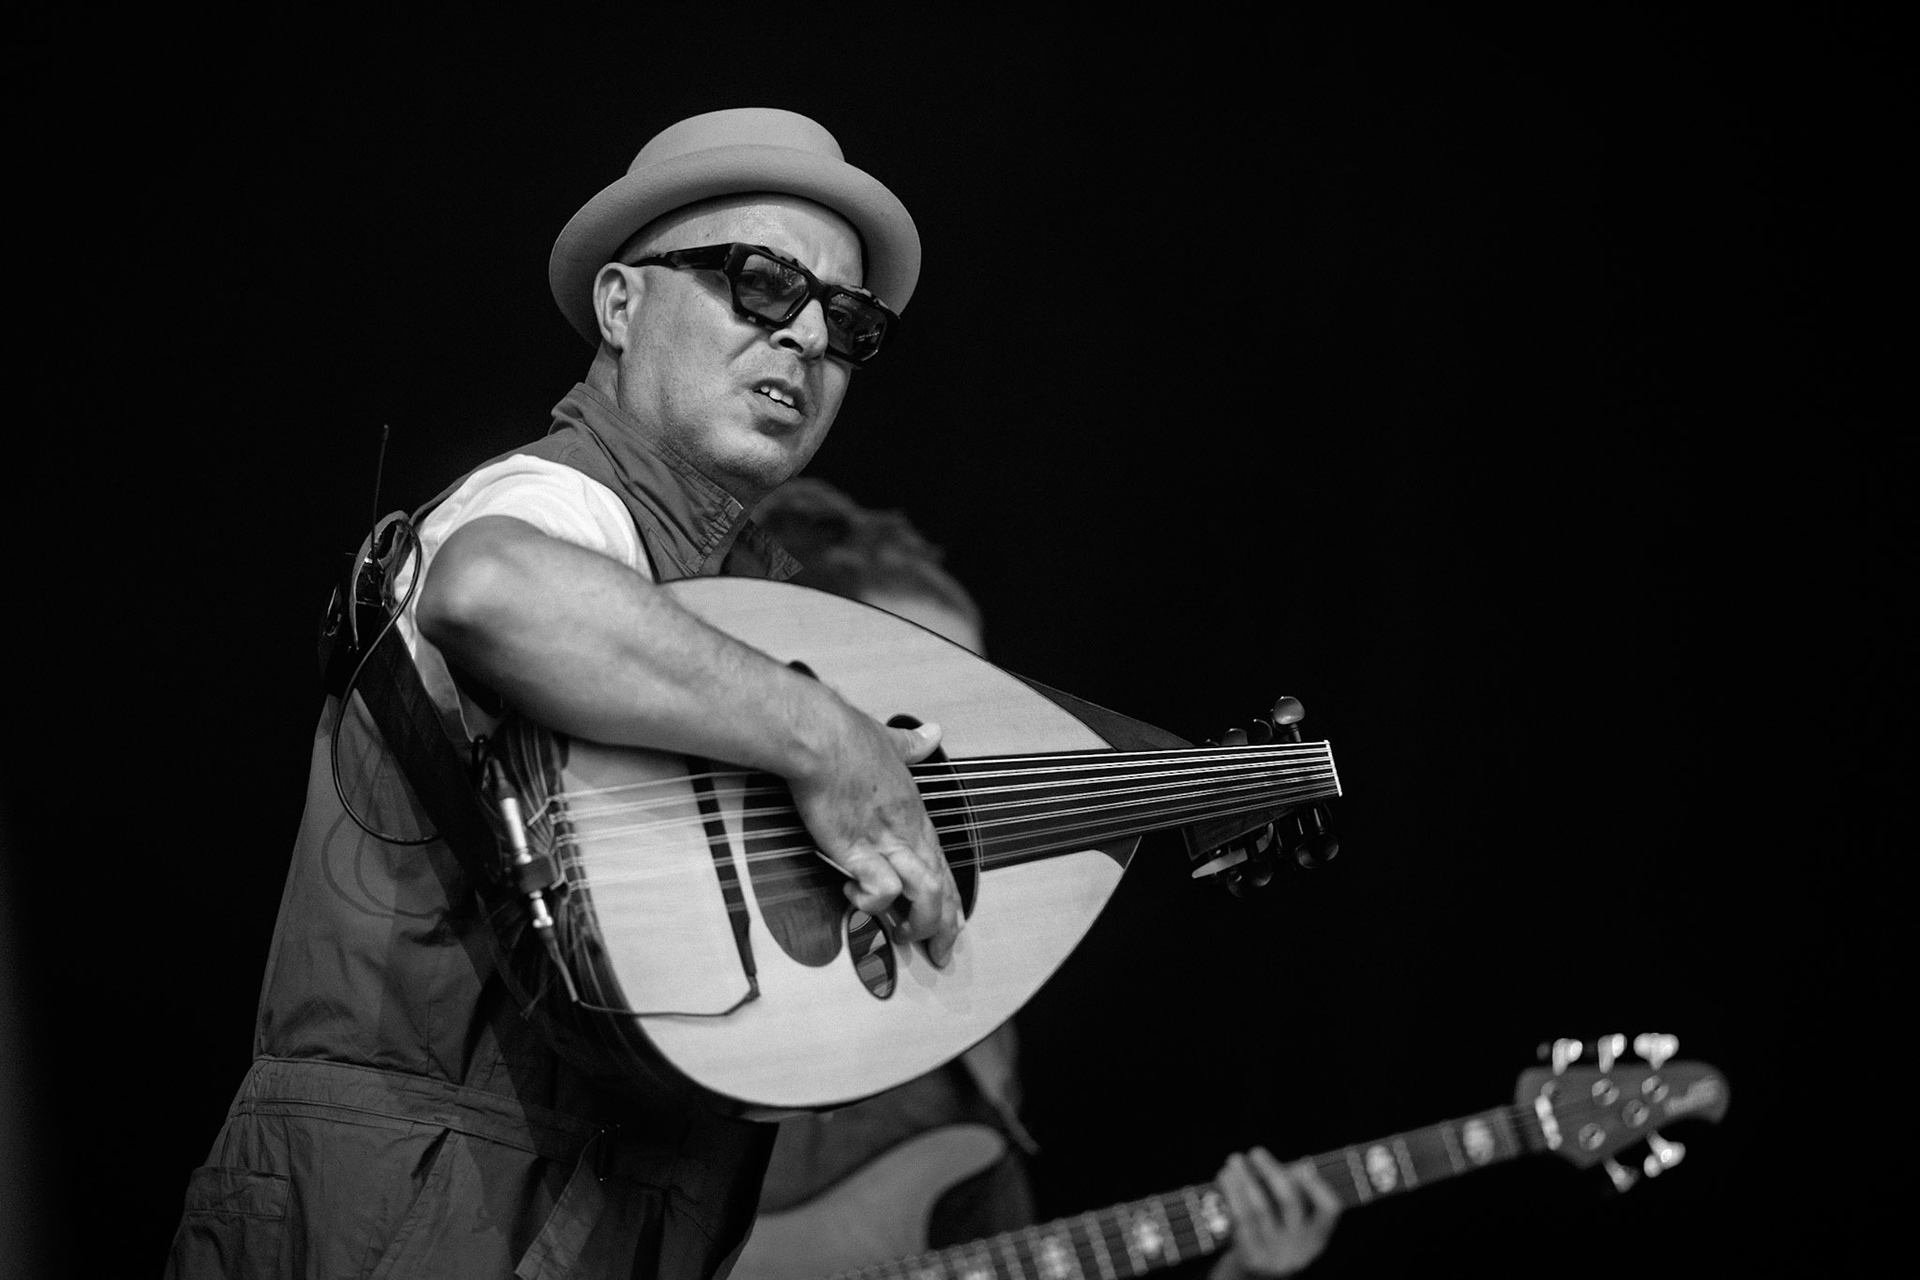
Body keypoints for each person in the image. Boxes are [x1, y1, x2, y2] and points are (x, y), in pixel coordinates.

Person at [166, 107, 963, 1280]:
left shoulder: (738, 600)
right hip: (408, 1214)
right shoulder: (556, 503)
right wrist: (828, 741)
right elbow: (491, 586)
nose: (804, 336)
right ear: (622, 305)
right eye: (759, 281)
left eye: (846, 321)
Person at [741, 478, 1343, 1278]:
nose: (953, 749)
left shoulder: (976, 1011)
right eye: (910, 708)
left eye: (973, 702)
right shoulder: (718, 961)